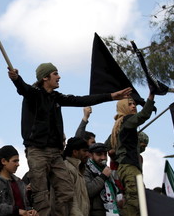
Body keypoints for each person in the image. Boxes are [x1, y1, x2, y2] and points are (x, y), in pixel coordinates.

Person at [8, 63, 132, 216]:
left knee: (66, 191)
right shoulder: (33, 93)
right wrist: (16, 79)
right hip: (37, 151)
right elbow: (22, 88)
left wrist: (111, 96)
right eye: (55, 74)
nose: (59, 77)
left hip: (55, 153)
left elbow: (81, 100)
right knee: (40, 193)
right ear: (45, 77)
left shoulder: (56, 98)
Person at [111, 92, 155, 216]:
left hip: (126, 168)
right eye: (129, 104)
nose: (133, 106)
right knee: (135, 201)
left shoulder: (117, 126)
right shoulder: (126, 120)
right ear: (123, 107)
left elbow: (109, 147)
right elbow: (144, 115)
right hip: (129, 167)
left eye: (134, 104)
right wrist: (151, 96)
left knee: (140, 203)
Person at [0, 145, 37, 216]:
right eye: (15, 161)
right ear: (3, 161)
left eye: (18, 161)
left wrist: (31, 211)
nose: (18, 164)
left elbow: (24, 206)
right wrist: (17, 211)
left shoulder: (20, 183)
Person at [84, 143, 122, 216]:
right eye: (99, 154)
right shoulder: (86, 169)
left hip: (111, 212)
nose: (103, 158)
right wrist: (103, 176)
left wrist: (119, 196)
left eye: (105, 154)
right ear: (91, 155)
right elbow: (89, 191)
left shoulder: (106, 169)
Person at [62, 137, 90, 216]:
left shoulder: (79, 169)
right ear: (75, 152)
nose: (87, 154)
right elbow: (70, 200)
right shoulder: (67, 168)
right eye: (84, 151)